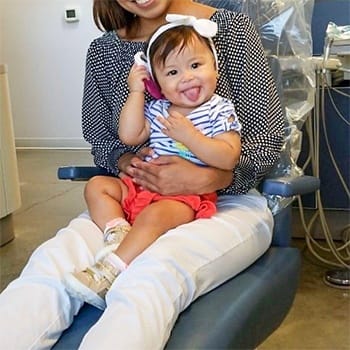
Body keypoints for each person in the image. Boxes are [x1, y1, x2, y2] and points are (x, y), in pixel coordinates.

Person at [0, 0, 284, 349]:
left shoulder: (229, 31)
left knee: (148, 276)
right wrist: (126, 162)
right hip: (136, 197)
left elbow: (267, 143)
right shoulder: (105, 51)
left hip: (225, 200)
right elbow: (103, 142)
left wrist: (211, 178)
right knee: (49, 268)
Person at [63, 18, 242, 310]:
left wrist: (191, 137)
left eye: (196, 66)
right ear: (157, 85)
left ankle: (110, 270)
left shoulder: (218, 110)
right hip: (142, 186)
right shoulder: (158, 108)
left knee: (155, 216)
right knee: (98, 187)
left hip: (184, 196)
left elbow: (228, 157)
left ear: (216, 69)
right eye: (172, 72)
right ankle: (117, 231)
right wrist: (136, 91)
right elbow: (129, 135)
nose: (186, 77)